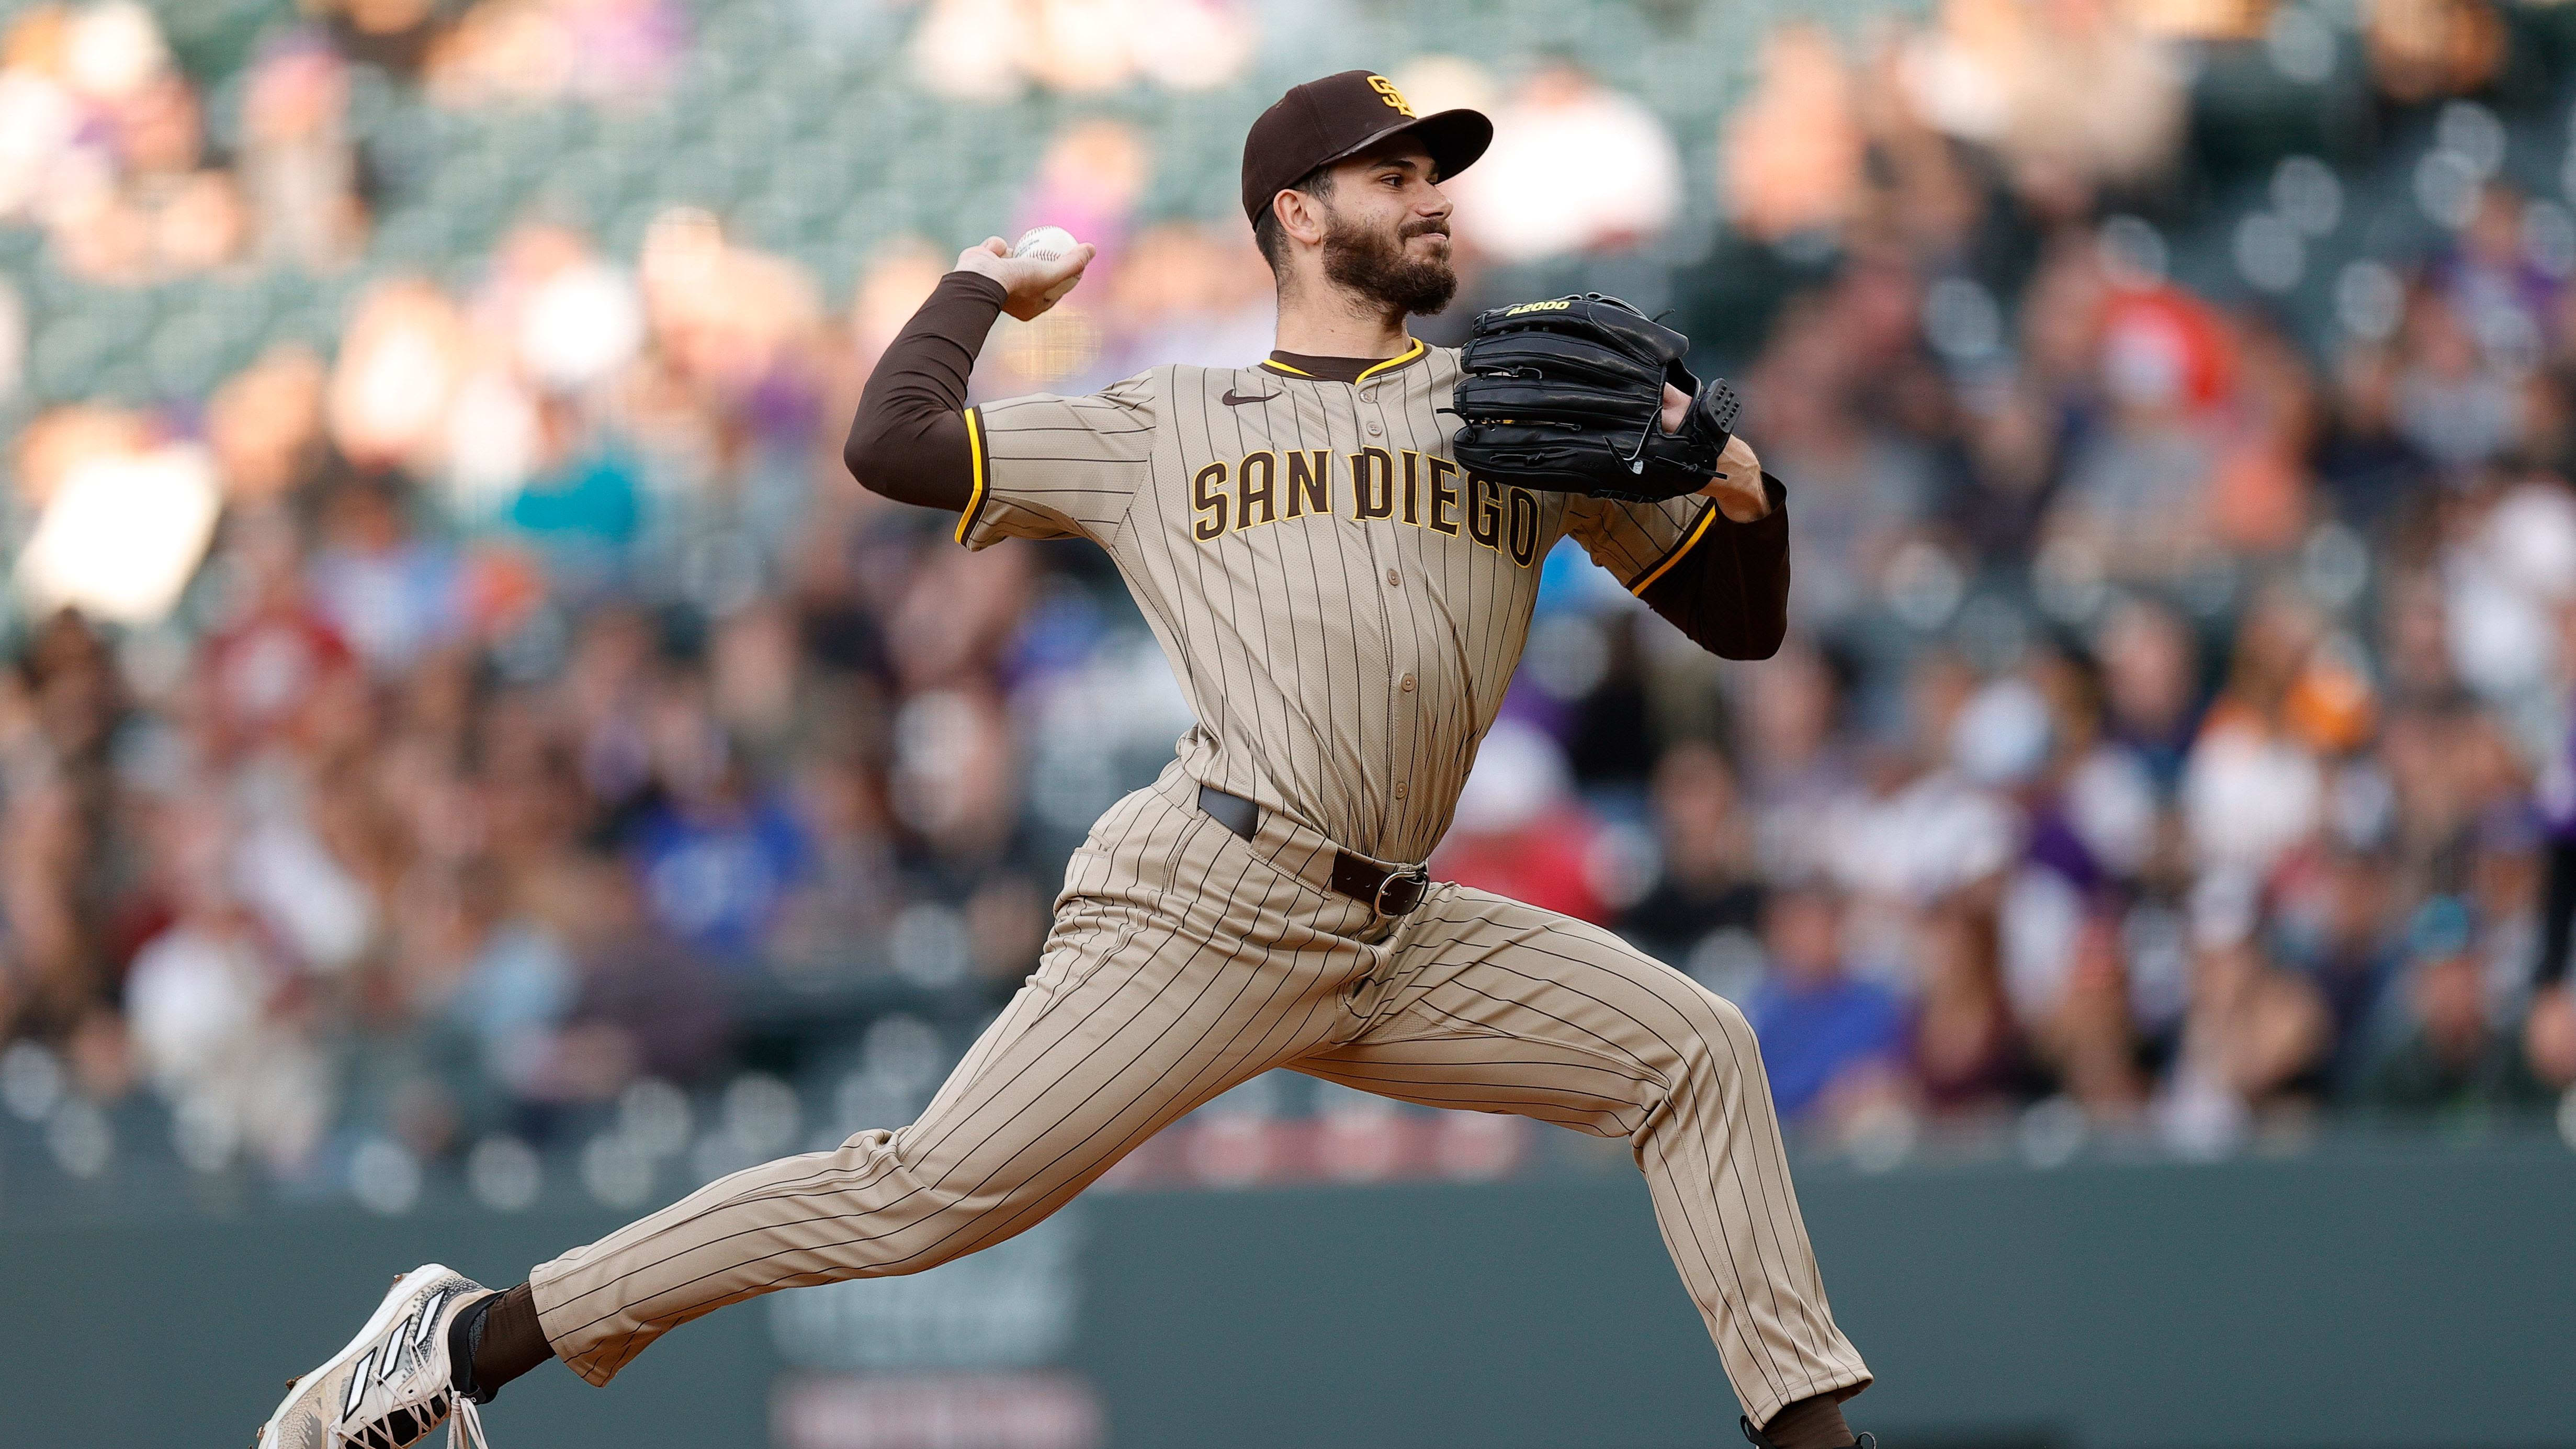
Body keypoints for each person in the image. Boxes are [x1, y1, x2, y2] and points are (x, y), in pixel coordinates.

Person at [259, 70, 1873, 1449]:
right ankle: (463, 1344)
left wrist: (1735, 479)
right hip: (1205, 904)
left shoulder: (1514, 407)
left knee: (1695, 1050)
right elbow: (890, 441)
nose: (1434, 198)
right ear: (1298, 216)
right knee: (913, 1198)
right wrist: (979, 288)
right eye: (1395, 175)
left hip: (1398, 929)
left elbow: (1740, 626)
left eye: (1438, 174)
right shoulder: (1165, 419)